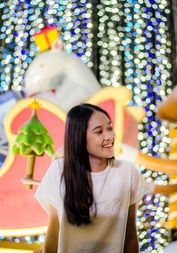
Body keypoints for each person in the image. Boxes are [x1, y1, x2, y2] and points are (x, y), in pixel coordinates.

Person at [34, 103, 154, 253]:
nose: (110, 136)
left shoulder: (127, 172)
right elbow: (53, 234)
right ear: (80, 137)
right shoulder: (59, 170)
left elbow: (130, 235)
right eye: (99, 132)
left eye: (110, 128)